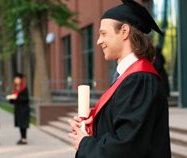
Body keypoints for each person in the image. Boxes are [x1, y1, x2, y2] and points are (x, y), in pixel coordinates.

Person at [68, 0, 171, 158]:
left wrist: (85, 144)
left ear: (124, 31)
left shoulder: (139, 80)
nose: (98, 41)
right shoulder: (129, 78)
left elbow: (127, 147)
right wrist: (93, 123)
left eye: (103, 33)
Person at [6, 73, 30, 145]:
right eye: (15, 79)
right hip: (18, 109)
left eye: (17, 79)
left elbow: (26, 99)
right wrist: (11, 99)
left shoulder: (24, 88)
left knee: (23, 124)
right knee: (20, 124)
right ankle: (22, 138)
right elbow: (14, 101)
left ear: (20, 80)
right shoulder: (16, 88)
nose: (15, 80)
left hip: (24, 109)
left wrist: (17, 98)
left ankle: (24, 139)